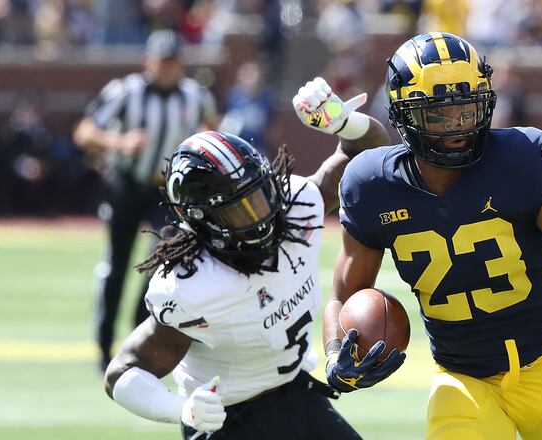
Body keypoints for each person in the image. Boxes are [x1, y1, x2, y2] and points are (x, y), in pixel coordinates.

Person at [318, 32, 542, 440]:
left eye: (466, 110)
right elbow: (344, 297)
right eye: (438, 115)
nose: (457, 127)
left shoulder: (520, 159)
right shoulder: (372, 185)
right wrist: (334, 355)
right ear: (404, 116)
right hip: (461, 378)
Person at [103, 77, 390, 440]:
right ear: (204, 221)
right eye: (242, 209)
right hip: (228, 421)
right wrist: (182, 409)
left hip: (295, 395)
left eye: (262, 193)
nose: (264, 213)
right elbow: (123, 372)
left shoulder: (297, 206)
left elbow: (368, 157)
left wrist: (342, 122)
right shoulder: (193, 286)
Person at [73, 29, 220, 372]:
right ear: (148, 62)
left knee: (163, 261)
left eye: (172, 63)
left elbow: (214, 128)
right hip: (126, 183)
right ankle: (103, 344)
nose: (166, 69)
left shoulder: (195, 96)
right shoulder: (126, 91)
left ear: (180, 65)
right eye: (161, 62)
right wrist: (118, 142)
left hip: (165, 190)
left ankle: (139, 333)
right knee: (117, 265)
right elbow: (84, 132)